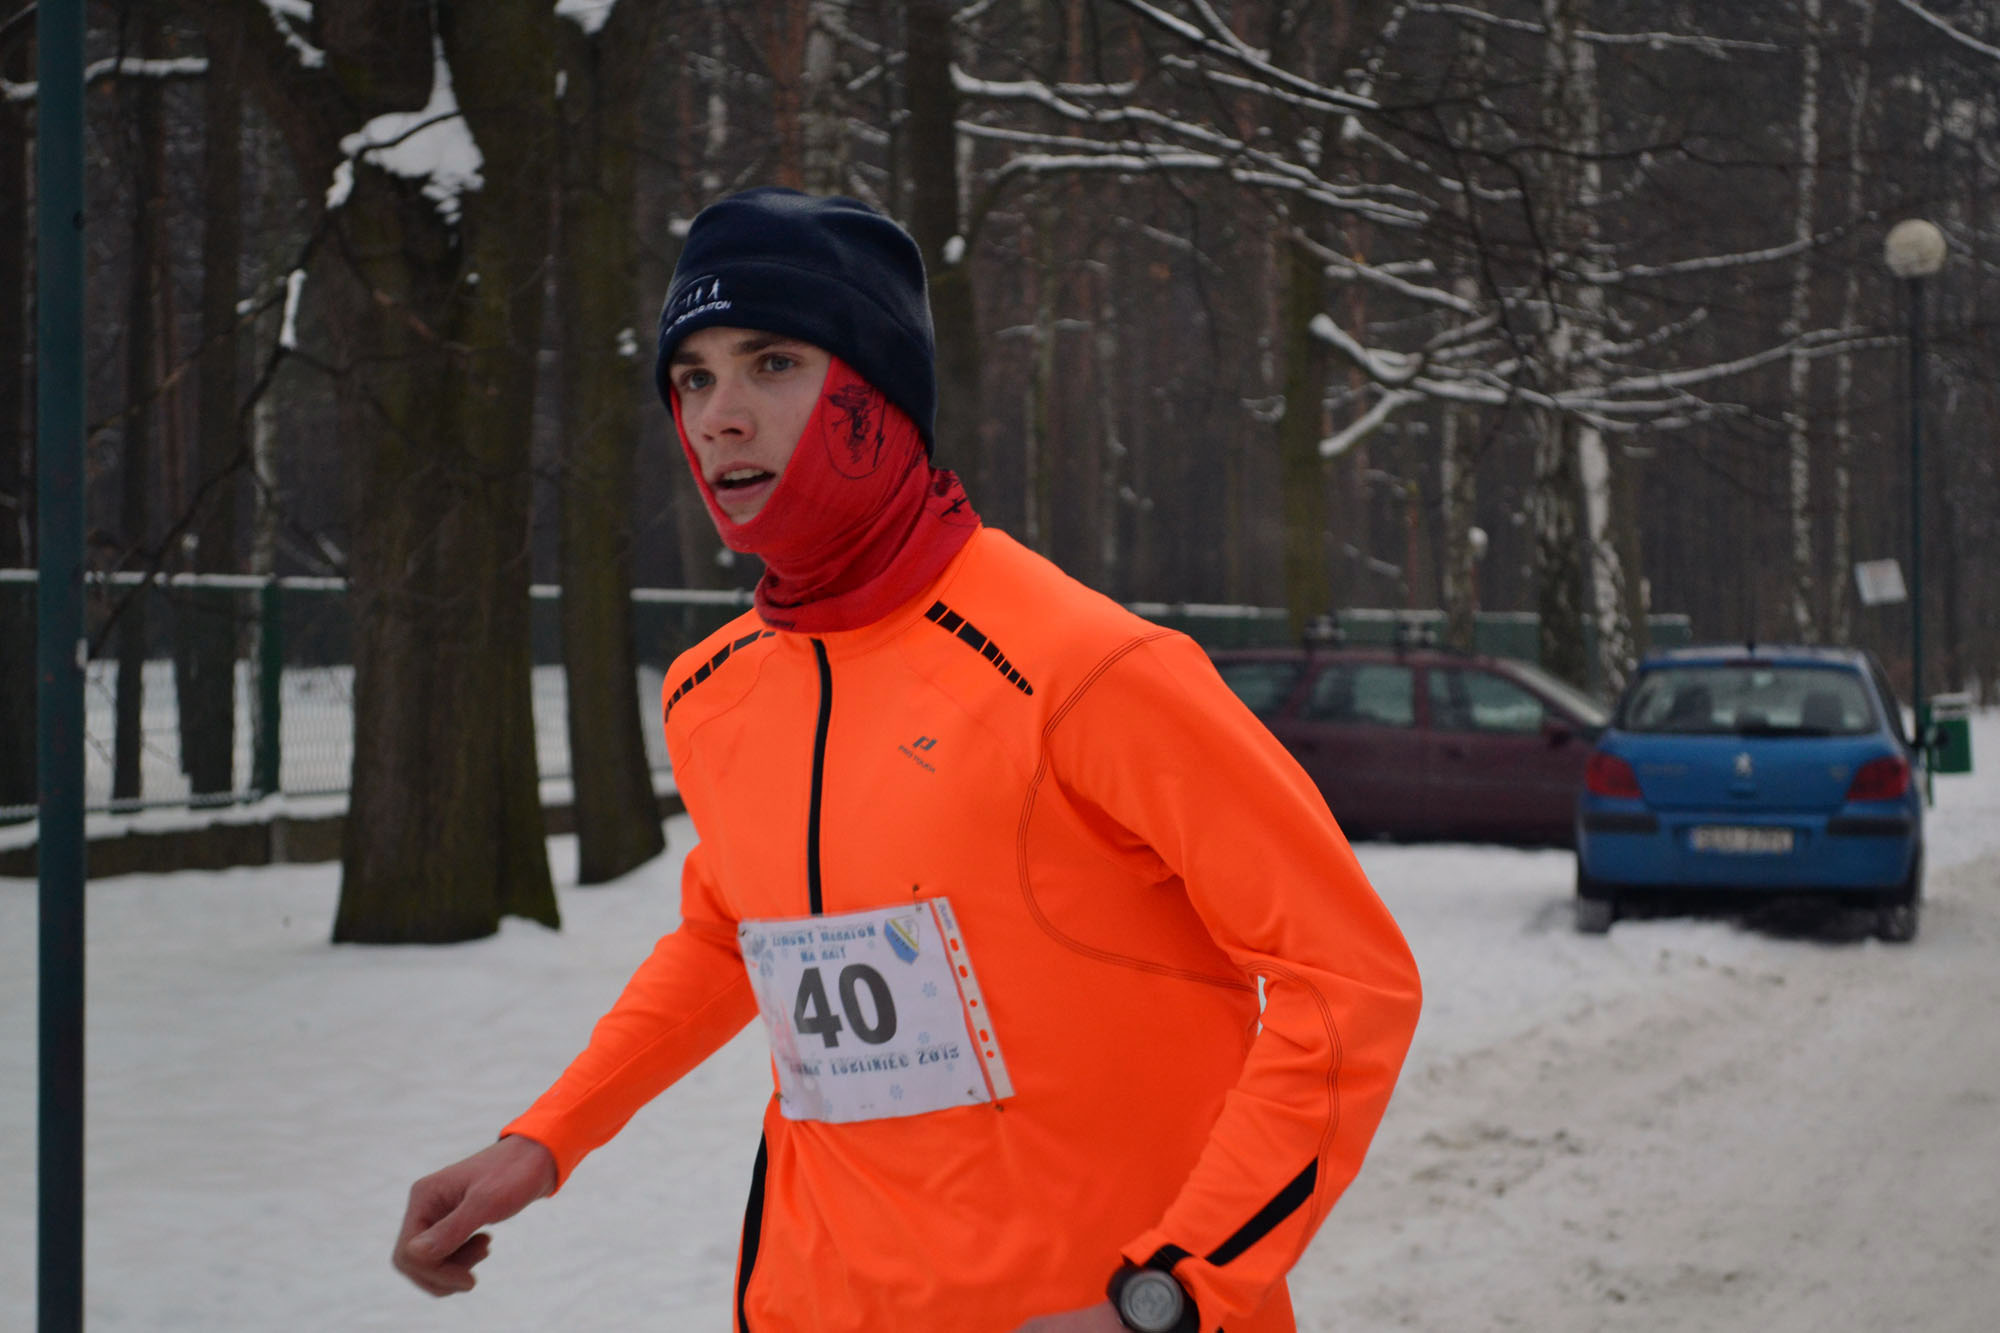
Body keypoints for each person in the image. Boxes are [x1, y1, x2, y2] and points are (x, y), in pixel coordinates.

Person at [391, 187, 1423, 1333]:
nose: (720, 415)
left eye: (771, 363)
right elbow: (729, 937)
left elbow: (1347, 980)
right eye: (691, 377)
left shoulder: (1085, 667)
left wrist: (1171, 1289)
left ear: (876, 391)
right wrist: (544, 1138)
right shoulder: (712, 691)